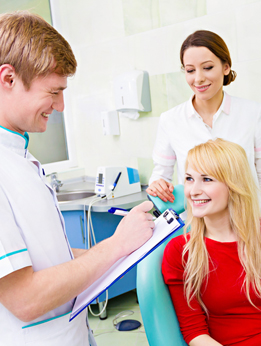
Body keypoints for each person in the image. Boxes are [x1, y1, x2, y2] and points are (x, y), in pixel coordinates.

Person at [0, 11, 155, 346]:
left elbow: (48, 258)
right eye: (53, 92)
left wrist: (126, 249)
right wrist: (117, 244)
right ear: (8, 79)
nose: (61, 106)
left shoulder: (20, 157)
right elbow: (24, 299)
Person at [162, 138, 261, 346]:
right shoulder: (182, 251)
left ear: (233, 185)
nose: (193, 191)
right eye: (189, 178)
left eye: (207, 179)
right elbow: (194, 333)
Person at [147, 30, 261, 204]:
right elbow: (160, 176)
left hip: (246, 223)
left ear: (226, 67)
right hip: (196, 225)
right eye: (190, 70)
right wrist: (158, 186)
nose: (198, 78)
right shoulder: (170, 120)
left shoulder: (252, 113)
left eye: (207, 68)